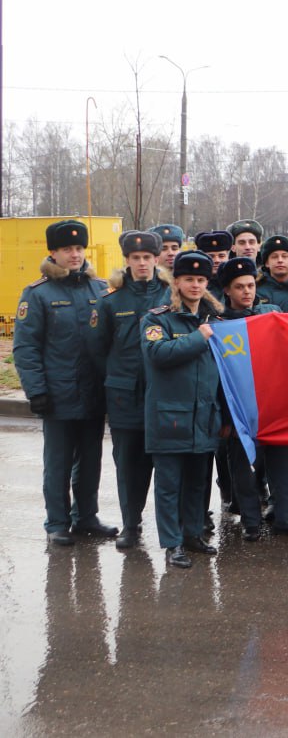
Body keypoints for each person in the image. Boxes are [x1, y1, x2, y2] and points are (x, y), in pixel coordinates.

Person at [14, 219, 116, 546]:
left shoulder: (100, 289)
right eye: (67, 249)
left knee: (90, 460)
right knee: (57, 464)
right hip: (57, 396)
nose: (75, 254)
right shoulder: (38, 294)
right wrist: (37, 391)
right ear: (53, 253)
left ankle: (86, 517)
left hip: (93, 393)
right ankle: (57, 522)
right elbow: (26, 348)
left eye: (78, 248)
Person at [139, 250, 223, 569]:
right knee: (169, 484)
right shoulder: (157, 318)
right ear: (176, 282)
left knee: (197, 482)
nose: (196, 285)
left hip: (204, 417)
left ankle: (191, 534)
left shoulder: (216, 319)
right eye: (189, 279)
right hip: (169, 418)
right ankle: (172, 543)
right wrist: (198, 338)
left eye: (201, 280)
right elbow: (158, 353)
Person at [214, 256, 288, 538]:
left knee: (287, 464)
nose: (247, 291)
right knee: (244, 469)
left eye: (251, 285)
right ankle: (251, 523)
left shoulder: (271, 316)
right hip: (241, 410)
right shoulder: (217, 324)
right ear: (227, 290)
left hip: (277, 404)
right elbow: (217, 377)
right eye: (239, 286)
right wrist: (223, 416)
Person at [95, 230, 169, 550]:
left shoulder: (170, 296)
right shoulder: (111, 300)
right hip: (125, 394)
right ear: (126, 260)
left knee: (168, 464)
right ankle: (131, 524)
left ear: (156, 259)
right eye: (135, 258)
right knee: (128, 465)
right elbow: (97, 349)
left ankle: (177, 527)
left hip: (164, 393)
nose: (141, 263)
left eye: (147, 258)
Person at [193, 230, 233, 304]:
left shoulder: (235, 282)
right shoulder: (194, 286)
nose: (217, 260)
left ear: (228, 257)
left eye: (221, 256)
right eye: (211, 256)